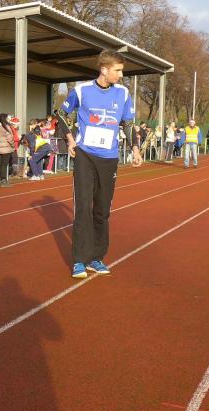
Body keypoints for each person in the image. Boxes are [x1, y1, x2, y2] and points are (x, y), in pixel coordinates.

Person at [59, 49, 142, 279]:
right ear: (104, 70)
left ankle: (96, 257)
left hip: (110, 158)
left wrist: (135, 148)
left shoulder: (123, 93)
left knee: (102, 211)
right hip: (85, 156)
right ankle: (79, 259)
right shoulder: (82, 90)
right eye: (118, 70)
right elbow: (61, 114)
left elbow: (128, 123)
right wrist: (70, 139)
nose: (121, 75)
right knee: (83, 208)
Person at [0, 113, 14, 188]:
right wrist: (13, 145)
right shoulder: (6, 127)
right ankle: (3, 180)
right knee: (4, 165)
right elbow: (9, 138)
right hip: (6, 149)